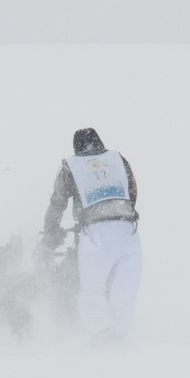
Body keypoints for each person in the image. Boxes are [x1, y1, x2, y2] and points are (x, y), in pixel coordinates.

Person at [40, 128, 142, 341]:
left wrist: (50, 235)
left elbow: (57, 202)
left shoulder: (72, 166)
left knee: (92, 289)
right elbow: (131, 190)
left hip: (95, 231)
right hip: (127, 228)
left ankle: (98, 336)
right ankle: (122, 335)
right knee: (123, 288)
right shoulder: (117, 159)